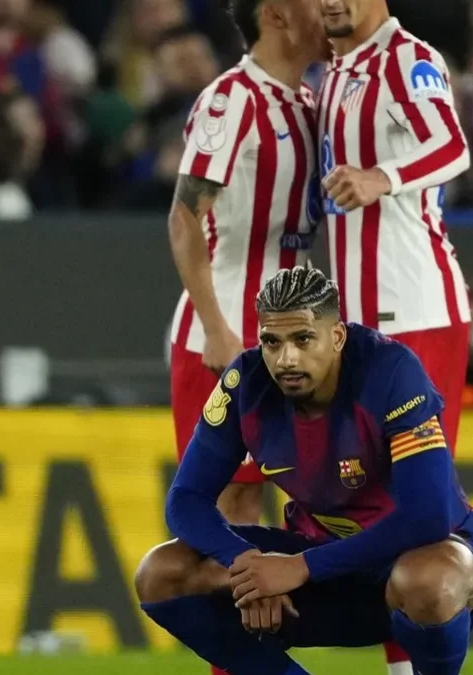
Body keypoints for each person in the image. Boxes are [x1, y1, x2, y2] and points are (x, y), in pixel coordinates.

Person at [137, 266, 473, 675]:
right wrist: (248, 566)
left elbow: (425, 519)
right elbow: (185, 499)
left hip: (413, 562)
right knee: (161, 572)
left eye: (303, 339)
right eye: (272, 342)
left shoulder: (390, 371)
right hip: (323, 568)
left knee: (427, 579)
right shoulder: (246, 383)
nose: (286, 358)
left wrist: (297, 568)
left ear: (337, 336)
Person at [315, 3, 473, 669]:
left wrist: (381, 177)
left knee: (417, 506)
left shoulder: (408, 58)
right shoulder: (335, 73)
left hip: (415, 312)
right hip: (357, 323)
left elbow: (451, 144)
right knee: (370, 503)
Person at [166, 0, 326, 587]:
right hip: (229, 331)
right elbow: (184, 218)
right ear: (278, 15)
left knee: (304, 509)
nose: (328, 10)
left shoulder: (309, 104)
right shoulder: (231, 100)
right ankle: (226, 642)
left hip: (294, 336)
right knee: (229, 511)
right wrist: (215, 328)